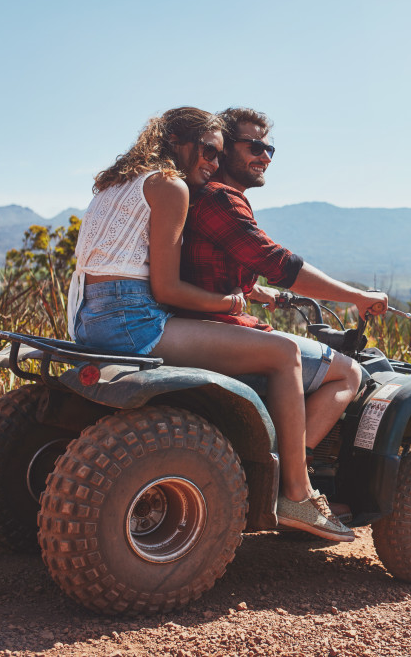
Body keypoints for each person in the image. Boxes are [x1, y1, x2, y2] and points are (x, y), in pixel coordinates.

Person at [68, 106, 356, 542]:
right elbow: (166, 290)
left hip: (87, 319)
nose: (211, 163)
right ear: (176, 144)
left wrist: (250, 293)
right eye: (206, 151)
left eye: (217, 155)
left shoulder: (113, 184)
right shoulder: (171, 187)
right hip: (133, 323)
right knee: (285, 353)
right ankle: (296, 492)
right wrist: (229, 300)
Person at [177, 107, 388, 469]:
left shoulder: (205, 196)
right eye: (254, 146)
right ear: (225, 148)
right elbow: (279, 263)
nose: (264, 156)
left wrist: (255, 291)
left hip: (202, 323)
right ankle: (291, 477)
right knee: (348, 372)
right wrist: (357, 296)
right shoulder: (220, 198)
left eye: (269, 150)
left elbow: (210, 265)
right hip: (218, 328)